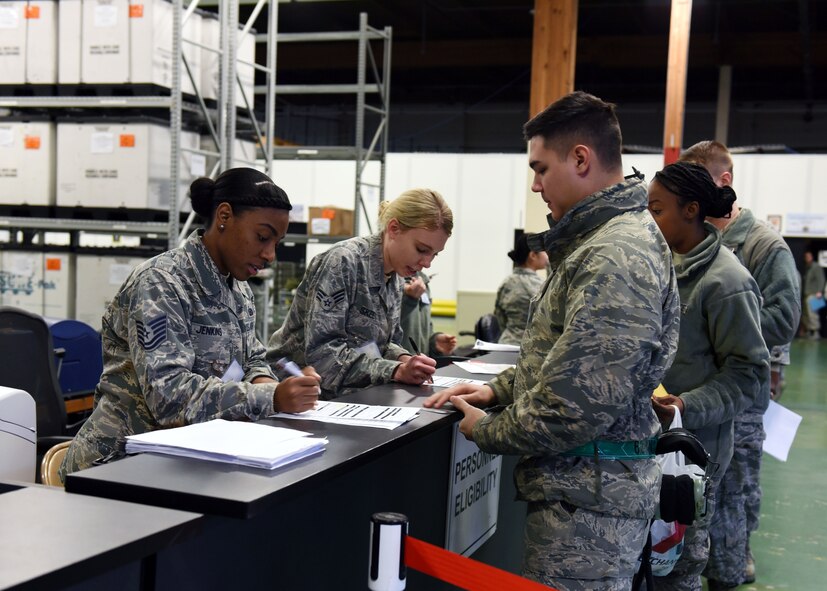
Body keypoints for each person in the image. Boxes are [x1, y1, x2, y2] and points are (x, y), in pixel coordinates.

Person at [425, 91, 681, 590]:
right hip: (586, 493)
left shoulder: (614, 256)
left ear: (580, 159)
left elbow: (576, 404)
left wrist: (487, 429)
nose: (536, 185)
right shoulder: (599, 242)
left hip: (590, 507)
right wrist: (499, 390)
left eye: (541, 169)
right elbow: (563, 357)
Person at [59, 168, 321, 480]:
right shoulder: (161, 283)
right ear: (224, 216)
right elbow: (168, 397)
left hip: (189, 460)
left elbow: (251, 359)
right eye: (263, 237)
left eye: (277, 243)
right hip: (119, 465)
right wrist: (271, 398)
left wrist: (270, 384)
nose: (270, 255)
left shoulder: (238, 290)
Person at [679, 140, 801, 588]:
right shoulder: (689, 241)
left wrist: (721, 324)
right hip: (691, 395)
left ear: (724, 181)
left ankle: (730, 568)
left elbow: (785, 320)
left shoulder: (763, 246)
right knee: (689, 492)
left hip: (740, 399)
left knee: (734, 495)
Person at [647, 161, 769, 591]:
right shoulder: (658, 267)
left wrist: (686, 405)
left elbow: (748, 373)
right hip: (649, 446)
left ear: (691, 210)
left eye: (657, 209)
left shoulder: (726, 282)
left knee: (678, 569)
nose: (649, 219)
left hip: (695, 453)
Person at [267, 189, 453, 398]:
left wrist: (405, 359)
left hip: (349, 393)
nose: (427, 263)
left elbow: (383, 344)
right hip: (297, 393)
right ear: (394, 229)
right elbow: (323, 357)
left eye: (434, 255)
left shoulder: (395, 275)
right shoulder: (343, 262)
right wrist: (395, 370)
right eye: (421, 249)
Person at [494, 233, 548, 345]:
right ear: (533, 255)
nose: (547, 255)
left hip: (505, 343)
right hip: (529, 347)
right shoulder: (540, 285)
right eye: (544, 251)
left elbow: (500, 318)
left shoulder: (506, 283)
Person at [400, 271, 457, 358]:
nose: (427, 265)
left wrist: (434, 343)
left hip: (419, 363)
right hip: (397, 363)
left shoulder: (423, 283)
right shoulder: (387, 282)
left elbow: (425, 328)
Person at [802, 251, 825, 339]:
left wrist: (819, 291)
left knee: (813, 314)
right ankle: (810, 331)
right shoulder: (807, 268)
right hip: (807, 294)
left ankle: (815, 332)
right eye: (806, 256)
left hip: (815, 294)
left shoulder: (816, 267)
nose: (807, 258)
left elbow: (821, 279)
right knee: (807, 314)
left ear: (812, 257)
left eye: (809, 256)